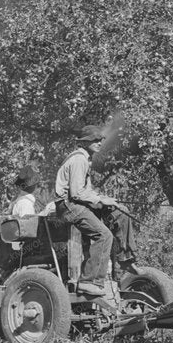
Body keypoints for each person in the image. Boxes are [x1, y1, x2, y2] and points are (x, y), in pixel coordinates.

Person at [53, 125, 136, 297]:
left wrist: (106, 200)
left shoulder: (86, 158)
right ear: (84, 142)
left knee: (121, 212)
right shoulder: (79, 159)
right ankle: (88, 281)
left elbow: (86, 192)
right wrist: (101, 200)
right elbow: (76, 193)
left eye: (100, 140)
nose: (99, 143)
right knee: (104, 235)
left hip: (77, 202)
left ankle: (125, 259)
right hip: (68, 206)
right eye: (95, 140)